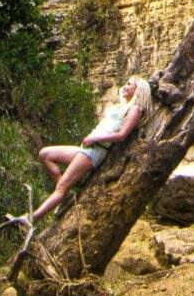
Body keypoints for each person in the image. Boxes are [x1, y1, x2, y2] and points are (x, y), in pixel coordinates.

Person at [15, 75, 153, 226]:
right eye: (125, 83)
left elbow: (121, 135)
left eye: (129, 84)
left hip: (96, 150)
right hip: (87, 148)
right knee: (45, 154)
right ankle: (66, 196)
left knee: (61, 187)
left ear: (138, 90)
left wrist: (95, 139)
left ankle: (31, 218)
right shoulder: (122, 106)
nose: (125, 86)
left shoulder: (135, 109)